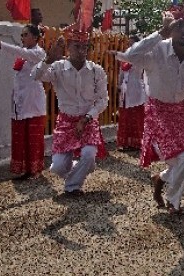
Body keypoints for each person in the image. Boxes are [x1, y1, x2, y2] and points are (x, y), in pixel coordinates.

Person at [110, 1, 184, 214]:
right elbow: (130, 56)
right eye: (179, 25)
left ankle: (160, 179)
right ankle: (174, 201)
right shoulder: (156, 50)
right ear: (171, 28)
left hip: (181, 113)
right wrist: (160, 32)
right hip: (158, 111)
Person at [32, 28, 109, 195]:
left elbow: (103, 100)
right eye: (77, 46)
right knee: (58, 167)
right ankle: (81, 168)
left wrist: (87, 118)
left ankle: (72, 187)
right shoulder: (58, 68)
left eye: (85, 47)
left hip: (87, 121)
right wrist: (49, 59)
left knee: (88, 155)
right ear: (68, 47)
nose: (82, 51)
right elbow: (35, 75)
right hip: (66, 122)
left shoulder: (96, 70)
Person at [0, 25, 46, 179]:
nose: (22, 38)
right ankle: (23, 168)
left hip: (33, 102)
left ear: (35, 38)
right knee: (20, 136)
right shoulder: (24, 56)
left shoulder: (38, 53)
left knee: (32, 138)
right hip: (20, 101)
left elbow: (19, 51)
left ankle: (34, 170)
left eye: (25, 35)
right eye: (21, 35)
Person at [116, 35, 146, 151]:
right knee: (125, 116)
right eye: (129, 44)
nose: (130, 46)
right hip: (125, 91)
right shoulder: (125, 58)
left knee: (136, 116)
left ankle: (137, 142)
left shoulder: (140, 58)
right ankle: (125, 143)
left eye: (133, 44)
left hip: (136, 90)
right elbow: (121, 73)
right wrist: (119, 85)